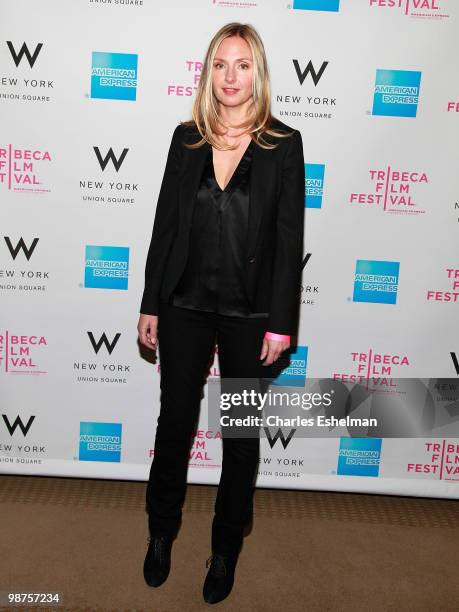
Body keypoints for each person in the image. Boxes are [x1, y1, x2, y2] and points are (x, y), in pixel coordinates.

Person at [137, 22, 305, 605]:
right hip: (182, 305)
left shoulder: (283, 143)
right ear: (208, 73)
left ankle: (225, 549)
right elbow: (164, 229)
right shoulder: (185, 139)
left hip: (249, 315)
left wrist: (282, 322)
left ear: (257, 72)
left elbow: (288, 242)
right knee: (174, 425)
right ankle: (160, 534)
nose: (230, 77)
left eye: (241, 65)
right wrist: (150, 304)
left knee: (238, 439)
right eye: (219, 65)